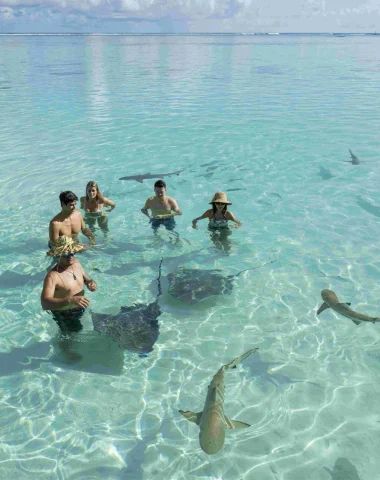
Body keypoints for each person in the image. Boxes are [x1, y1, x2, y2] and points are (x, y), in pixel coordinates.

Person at [41, 236, 97, 332]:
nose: (71, 257)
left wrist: (90, 283)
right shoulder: (53, 277)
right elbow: (45, 303)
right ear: (58, 255)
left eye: (73, 253)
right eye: (66, 254)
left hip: (80, 305)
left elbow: (86, 278)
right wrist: (70, 300)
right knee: (72, 336)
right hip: (65, 313)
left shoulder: (76, 263)